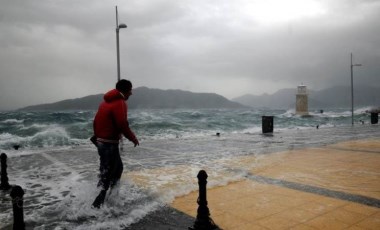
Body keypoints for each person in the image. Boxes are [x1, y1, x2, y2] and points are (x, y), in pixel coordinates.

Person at [92, 79, 139, 208]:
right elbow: (122, 123)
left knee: (108, 169)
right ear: (125, 90)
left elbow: (95, 121)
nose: (131, 93)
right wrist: (133, 138)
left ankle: (107, 196)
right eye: (130, 90)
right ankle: (99, 203)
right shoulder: (120, 102)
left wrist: (97, 136)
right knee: (113, 170)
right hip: (109, 143)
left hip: (102, 141)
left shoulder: (105, 102)